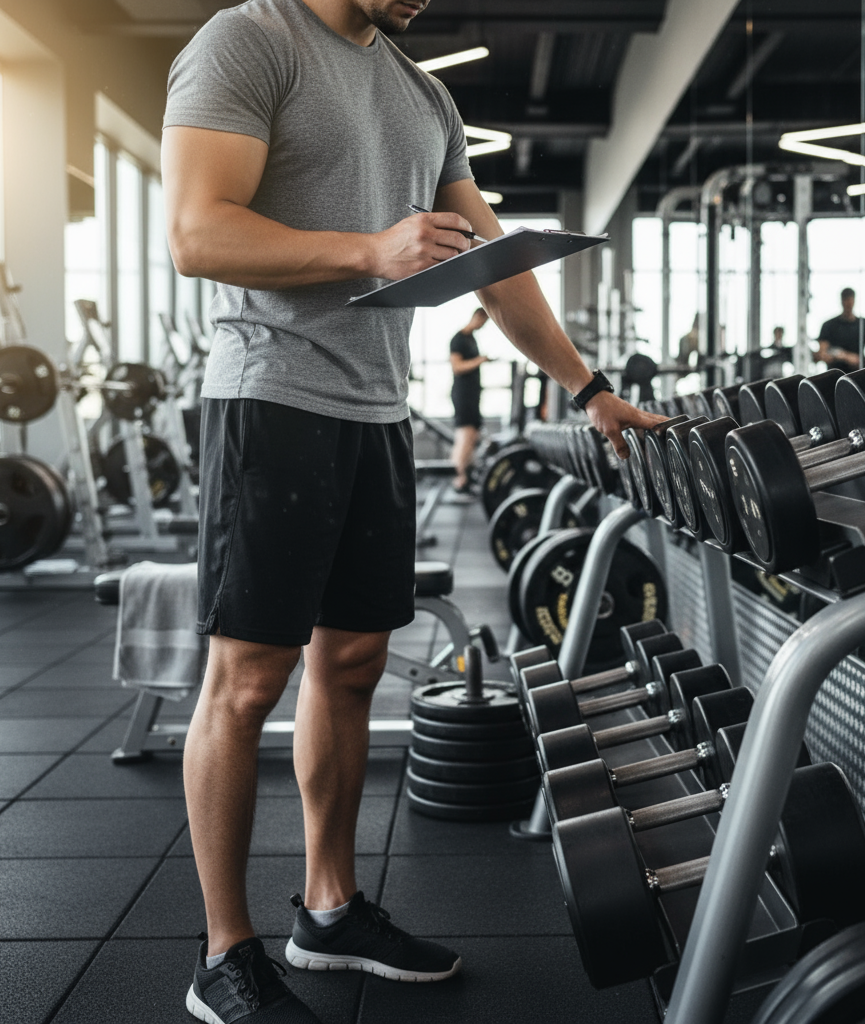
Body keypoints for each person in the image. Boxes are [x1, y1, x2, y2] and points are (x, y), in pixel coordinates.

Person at [161, 1, 661, 1022]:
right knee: (247, 677)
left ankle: (331, 907)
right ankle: (223, 950)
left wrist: (586, 387)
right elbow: (195, 232)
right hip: (268, 394)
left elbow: (492, 259)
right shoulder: (248, 41)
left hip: (378, 409)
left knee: (351, 663)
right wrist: (367, 251)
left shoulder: (423, 93)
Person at [449, 307, 490, 492]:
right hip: (463, 395)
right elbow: (457, 367)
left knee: (472, 435)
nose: (483, 325)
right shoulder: (458, 339)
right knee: (464, 437)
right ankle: (458, 481)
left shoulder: (471, 338)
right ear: (477, 316)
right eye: (484, 321)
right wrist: (479, 361)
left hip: (473, 394)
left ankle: (465, 479)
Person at [817, 288, 865, 371]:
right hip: (836, 375)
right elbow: (822, 354)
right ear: (842, 301)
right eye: (846, 301)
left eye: (850, 301)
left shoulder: (864, 324)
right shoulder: (829, 325)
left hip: (858, 374)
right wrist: (843, 356)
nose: (848, 304)